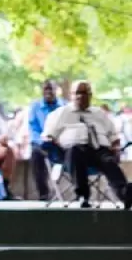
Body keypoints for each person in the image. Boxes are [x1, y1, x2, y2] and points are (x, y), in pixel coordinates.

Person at [41, 80, 131, 208]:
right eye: (77, 93)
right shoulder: (60, 113)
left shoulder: (99, 114)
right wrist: (53, 141)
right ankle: (83, 195)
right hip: (71, 152)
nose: (80, 96)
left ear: (90, 95)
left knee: (108, 160)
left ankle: (125, 193)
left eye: (84, 93)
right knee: (75, 152)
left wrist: (115, 145)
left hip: (99, 150)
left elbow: (113, 136)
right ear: (71, 95)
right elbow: (48, 135)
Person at [25, 81, 64, 200]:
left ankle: (79, 192)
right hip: (42, 143)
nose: (48, 92)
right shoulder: (35, 107)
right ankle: (44, 193)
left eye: (50, 89)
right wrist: (42, 140)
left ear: (55, 90)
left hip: (60, 143)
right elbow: (33, 129)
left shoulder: (64, 106)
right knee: (36, 154)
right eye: (45, 89)